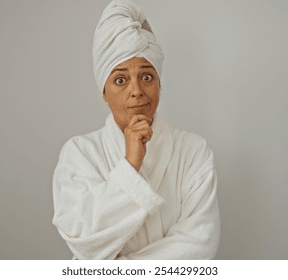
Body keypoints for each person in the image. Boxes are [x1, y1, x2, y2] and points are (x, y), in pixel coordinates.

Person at [52, 0, 220, 260]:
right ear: (104, 92)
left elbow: (199, 243)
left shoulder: (193, 150)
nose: (137, 91)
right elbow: (81, 238)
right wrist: (131, 164)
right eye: (120, 79)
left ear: (160, 84)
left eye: (147, 77)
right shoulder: (79, 153)